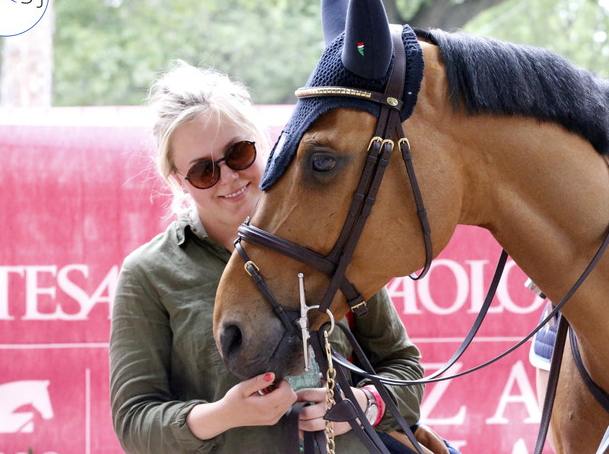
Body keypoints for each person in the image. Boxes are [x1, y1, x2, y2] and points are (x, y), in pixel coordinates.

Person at [109, 62, 428, 453]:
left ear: (265, 143)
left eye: (239, 153)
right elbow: (133, 422)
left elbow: (405, 369)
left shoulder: (328, 239)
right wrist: (225, 415)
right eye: (204, 171)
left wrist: (362, 405)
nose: (228, 177)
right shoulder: (149, 273)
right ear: (177, 179)